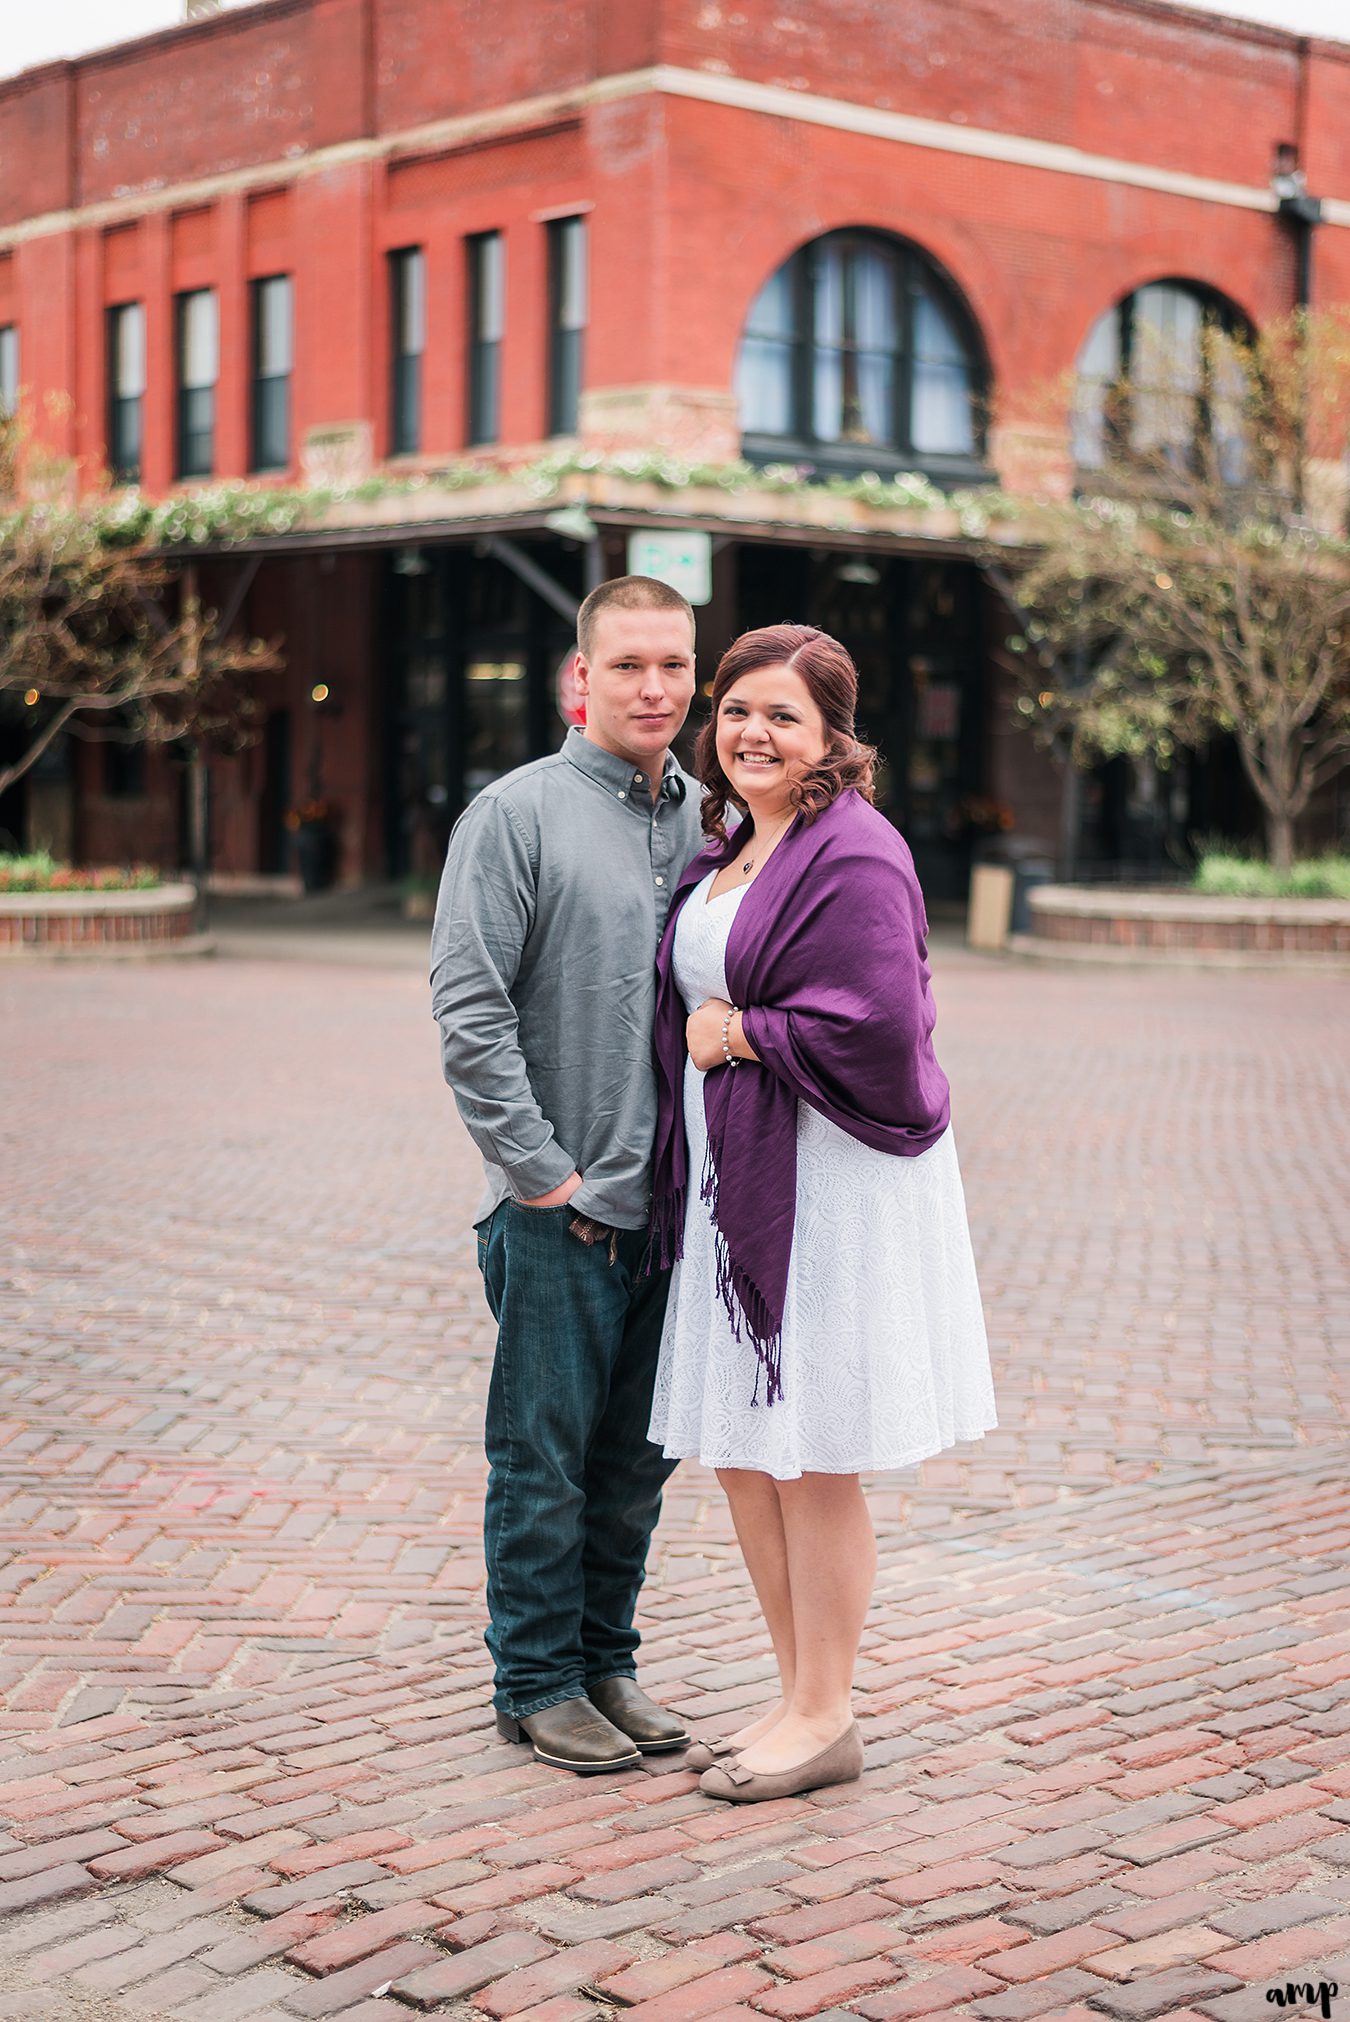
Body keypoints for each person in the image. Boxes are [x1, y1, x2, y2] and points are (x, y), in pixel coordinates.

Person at [647, 622, 998, 1803]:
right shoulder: (732, 848)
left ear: (830, 738)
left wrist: (743, 1032)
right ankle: (794, 1689)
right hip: (735, 1174)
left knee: (814, 1457)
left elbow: (883, 1029)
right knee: (748, 1455)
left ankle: (827, 1711)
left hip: (831, 1182)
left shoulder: (857, 852)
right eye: (738, 709)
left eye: (783, 715)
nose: (753, 731)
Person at [431, 574, 704, 1775]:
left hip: (674, 1218)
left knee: (636, 1464)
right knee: (539, 1461)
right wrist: (542, 1176)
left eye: (675, 667)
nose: (656, 688)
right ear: (579, 679)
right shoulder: (515, 814)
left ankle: (605, 1660)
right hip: (560, 1215)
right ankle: (535, 1680)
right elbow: (468, 1010)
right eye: (630, 665)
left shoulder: (713, 819)